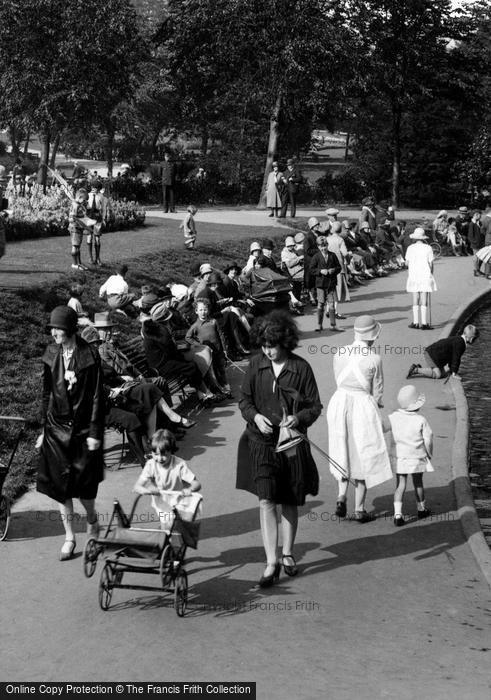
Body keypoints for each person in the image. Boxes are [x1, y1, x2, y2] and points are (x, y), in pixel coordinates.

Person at [236, 311, 322, 586]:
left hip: (291, 444)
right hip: (260, 442)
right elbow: (245, 401)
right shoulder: (255, 365)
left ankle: (287, 553)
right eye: (263, 346)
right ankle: (271, 561)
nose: (268, 351)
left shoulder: (301, 368)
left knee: (289, 498)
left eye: (272, 346)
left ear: (285, 342)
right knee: (266, 499)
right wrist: (255, 416)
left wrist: (298, 418)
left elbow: (315, 406)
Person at [35, 306, 105, 560]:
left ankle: (92, 520)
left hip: (84, 428)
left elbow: (98, 396)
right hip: (55, 427)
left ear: (70, 329)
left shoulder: (89, 355)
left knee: (85, 486)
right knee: (59, 486)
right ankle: (69, 537)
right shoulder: (51, 353)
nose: (53, 333)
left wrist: (95, 432)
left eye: (58, 328)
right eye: (52, 328)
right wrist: (44, 429)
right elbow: (47, 394)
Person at [326, 315, 392, 522]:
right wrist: (376, 405)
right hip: (362, 404)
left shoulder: (340, 352)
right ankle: (359, 509)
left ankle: (341, 495)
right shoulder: (374, 359)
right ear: (372, 336)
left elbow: (338, 377)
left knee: (341, 447)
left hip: (339, 401)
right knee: (363, 451)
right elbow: (378, 391)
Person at [134, 429, 201, 528]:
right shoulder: (150, 465)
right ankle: (166, 535)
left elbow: (196, 484)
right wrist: (146, 490)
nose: (159, 458)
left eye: (164, 454)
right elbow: (137, 486)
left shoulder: (179, 464)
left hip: (178, 499)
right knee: (167, 524)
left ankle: (174, 534)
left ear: (171, 451)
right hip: (161, 502)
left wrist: (189, 490)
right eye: (155, 454)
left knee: (181, 524)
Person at [388, 385, 434, 526]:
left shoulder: (393, 417)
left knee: (400, 484)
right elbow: (428, 438)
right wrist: (429, 453)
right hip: (416, 457)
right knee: (418, 482)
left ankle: (397, 514)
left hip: (400, 457)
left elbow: (382, 428)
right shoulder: (421, 420)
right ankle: (421, 508)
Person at [185, 298, 231, 397]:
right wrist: (198, 345)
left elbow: (221, 335)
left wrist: (224, 349)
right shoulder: (195, 326)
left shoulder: (213, 321)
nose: (203, 312)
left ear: (208, 310)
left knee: (222, 370)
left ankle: (227, 389)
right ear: (196, 311)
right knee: (212, 372)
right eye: (200, 310)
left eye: (205, 309)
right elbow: (188, 337)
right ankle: (218, 391)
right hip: (207, 354)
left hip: (218, 351)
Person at [406, 324, 479, 379]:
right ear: (471, 338)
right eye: (474, 339)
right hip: (432, 355)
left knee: (443, 374)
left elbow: (453, 356)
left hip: (434, 354)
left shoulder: (459, 339)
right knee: (437, 375)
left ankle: (421, 368)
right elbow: (456, 358)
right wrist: (454, 373)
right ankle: (416, 370)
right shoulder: (461, 344)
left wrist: (451, 369)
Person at [405, 227, 437, 330]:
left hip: (414, 274)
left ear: (414, 238)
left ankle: (415, 322)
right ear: (423, 238)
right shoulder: (428, 248)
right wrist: (431, 273)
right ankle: (423, 323)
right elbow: (431, 263)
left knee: (415, 296)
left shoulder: (410, 248)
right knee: (424, 296)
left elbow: (407, 263)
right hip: (425, 274)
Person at [308, 235, 341, 333]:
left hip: (331, 284)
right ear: (318, 247)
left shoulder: (332, 255)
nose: (324, 248)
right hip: (320, 284)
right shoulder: (316, 257)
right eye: (321, 246)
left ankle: (333, 325)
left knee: (331, 305)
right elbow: (311, 269)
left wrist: (333, 270)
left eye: (325, 245)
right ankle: (319, 325)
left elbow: (339, 267)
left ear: (328, 245)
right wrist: (320, 271)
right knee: (321, 304)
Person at [68, 188, 90, 270]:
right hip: (75, 228)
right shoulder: (75, 205)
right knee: (75, 245)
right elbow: (72, 218)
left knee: (78, 246)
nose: (84, 202)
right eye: (84, 200)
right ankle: (74, 264)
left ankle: (79, 263)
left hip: (78, 228)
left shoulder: (78, 204)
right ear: (80, 197)